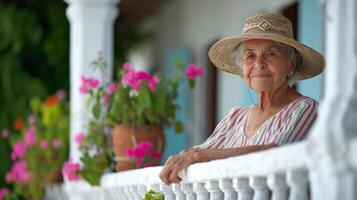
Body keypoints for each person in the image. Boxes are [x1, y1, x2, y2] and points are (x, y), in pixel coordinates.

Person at [159, 13, 325, 185]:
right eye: (250, 55)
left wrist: (198, 155)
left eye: (271, 54)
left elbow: (274, 152)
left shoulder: (305, 108)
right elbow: (202, 151)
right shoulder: (236, 116)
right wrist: (186, 155)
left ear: (290, 65)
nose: (258, 64)